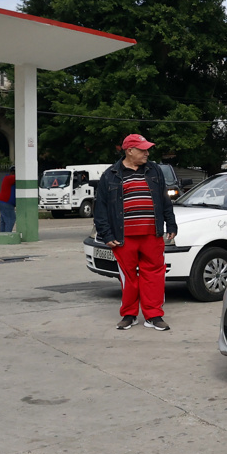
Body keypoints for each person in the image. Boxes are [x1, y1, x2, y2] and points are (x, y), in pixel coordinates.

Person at [94, 133, 179, 331]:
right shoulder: (110, 175)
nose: (147, 153)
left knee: (154, 276)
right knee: (128, 277)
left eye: (147, 149)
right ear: (130, 151)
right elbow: (101, 209)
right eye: (143, 150)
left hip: (152, 234)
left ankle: (153, 315)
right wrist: (106, 235)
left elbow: (164, 199)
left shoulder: (154, 170)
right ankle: (129, 315)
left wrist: (171, 224)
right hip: (124, 237)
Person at [0, 166, 16, 233]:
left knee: (4, 220)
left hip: (1, 201)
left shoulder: (7, 178)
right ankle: (7, 235)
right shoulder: (10, 178)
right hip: (6, 202)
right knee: (11, 219)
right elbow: (21, 177)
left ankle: (2, 235)